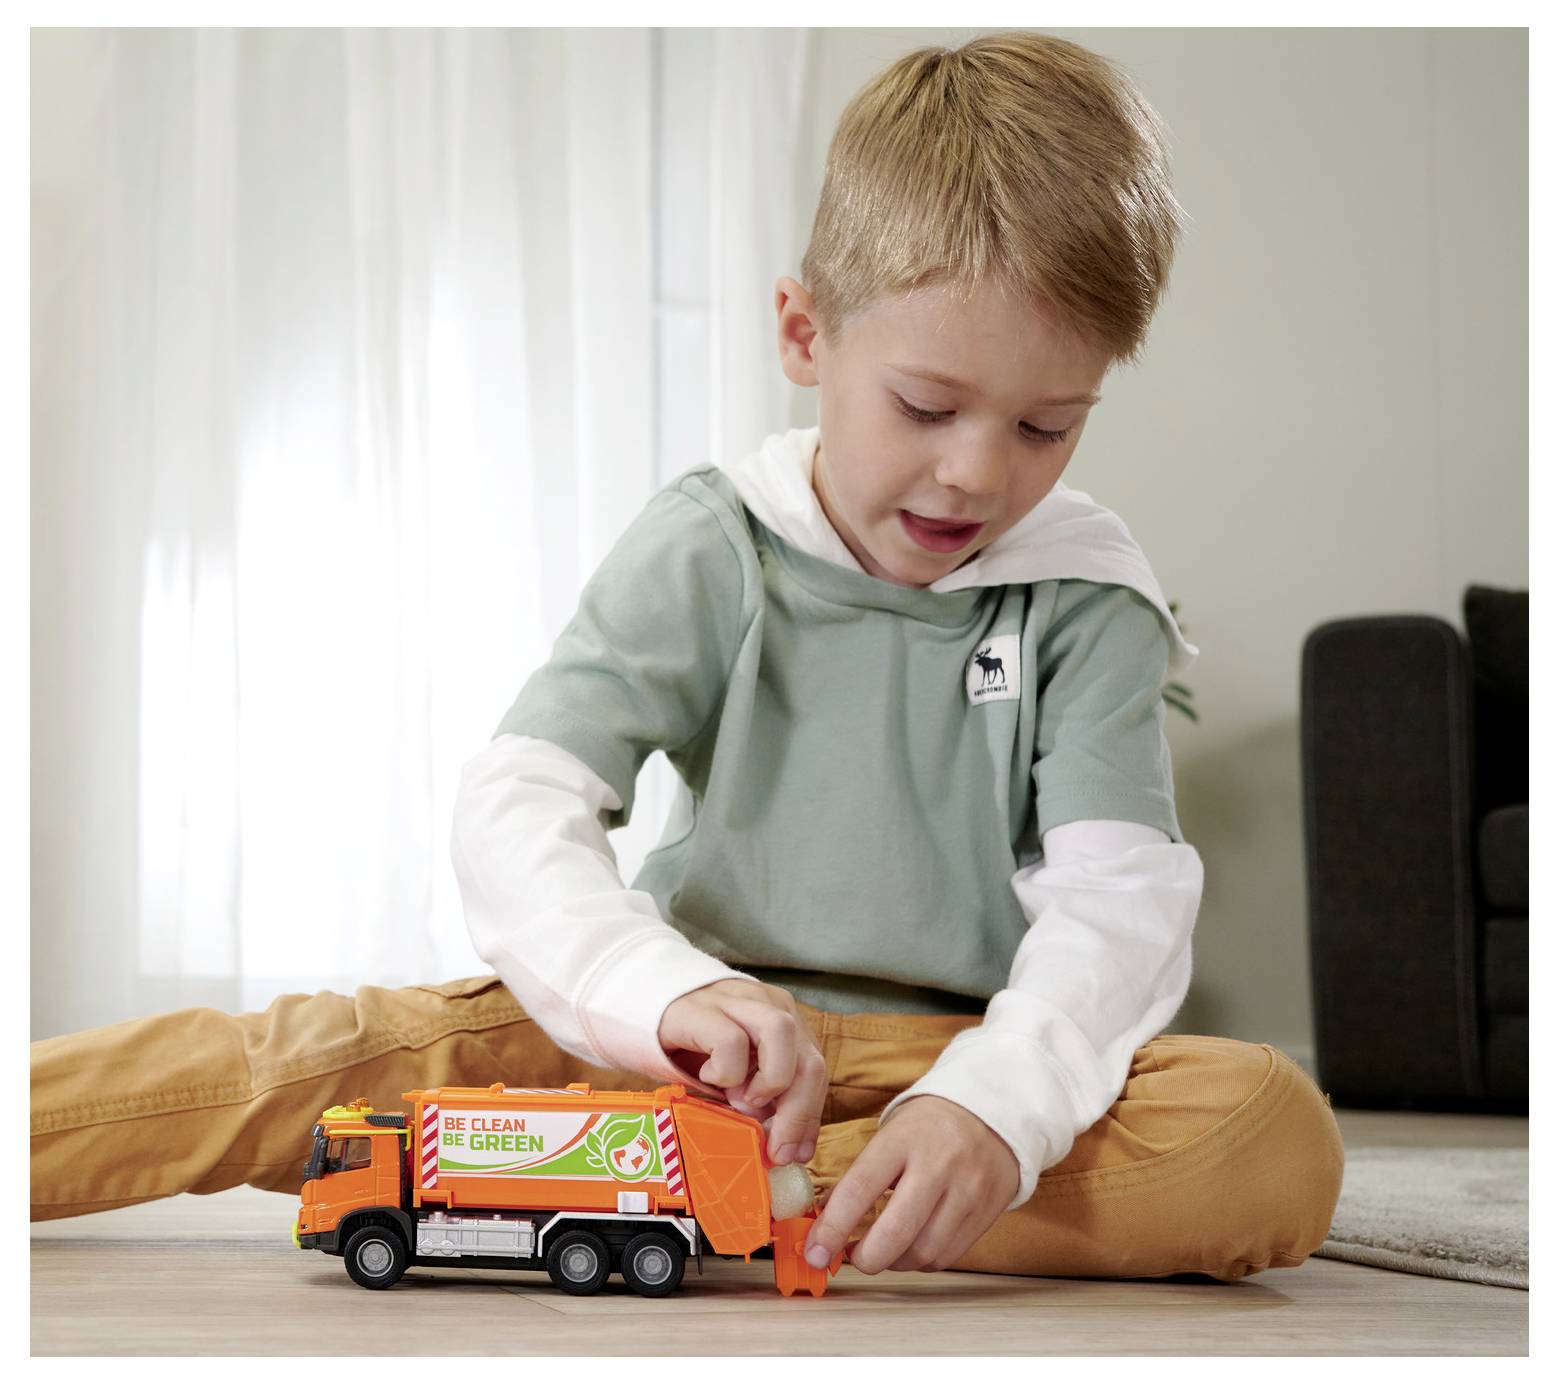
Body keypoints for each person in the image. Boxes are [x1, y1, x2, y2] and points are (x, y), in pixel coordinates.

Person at [31, 31, 1343, 1282]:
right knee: (307, 1061)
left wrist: (993, 1111)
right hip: (691, 1045)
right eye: (928, 407)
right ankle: (740, 1186)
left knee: (1264, 1139)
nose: (977, 472)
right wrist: (655, 991)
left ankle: (670, 1188)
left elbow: (1117, 909)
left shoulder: (1089, 598)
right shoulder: (718, 543)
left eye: (1048, 425)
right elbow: (521, 800)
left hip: (953, 1055)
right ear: (803, 335)